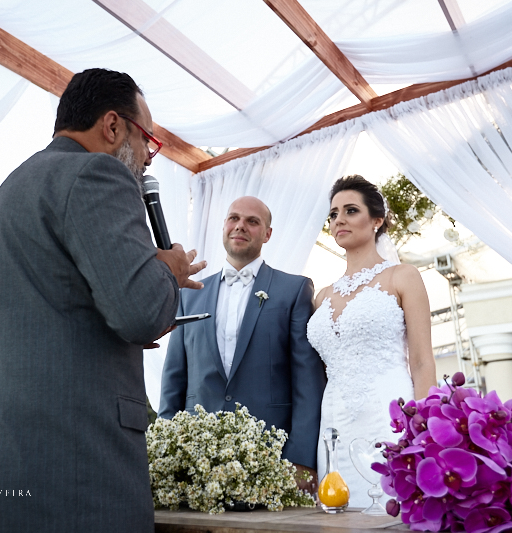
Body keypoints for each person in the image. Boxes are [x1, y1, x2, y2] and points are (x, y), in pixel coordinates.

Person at [0, 69, 205, 533]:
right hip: (67, 470)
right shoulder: (99, 174)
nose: (146, 160)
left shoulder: (2, 199)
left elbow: (50, 312)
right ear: (113, 126)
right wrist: (167, 271)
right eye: (147, 141)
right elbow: (139, 313)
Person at [159, 196, 326, 490]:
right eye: (234, 218)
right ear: (224, 225)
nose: (240, 226)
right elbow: (174, 378)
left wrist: (301, 460)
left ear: (267, 233)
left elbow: (307, 384)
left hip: (272, 457)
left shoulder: (294, 290)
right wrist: (165, 450)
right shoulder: (189, 294)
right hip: (198, 459)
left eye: (252, 221)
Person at [307, 175, 436, 508]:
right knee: (337, 513)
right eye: (333, 214)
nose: (339, 220)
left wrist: (425, 430)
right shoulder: (321, 296)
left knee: (389, 510)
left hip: (387, 415)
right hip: (332, 423)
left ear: (377, 220)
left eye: (351, 210)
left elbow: (422, 361)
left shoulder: (402, 276)